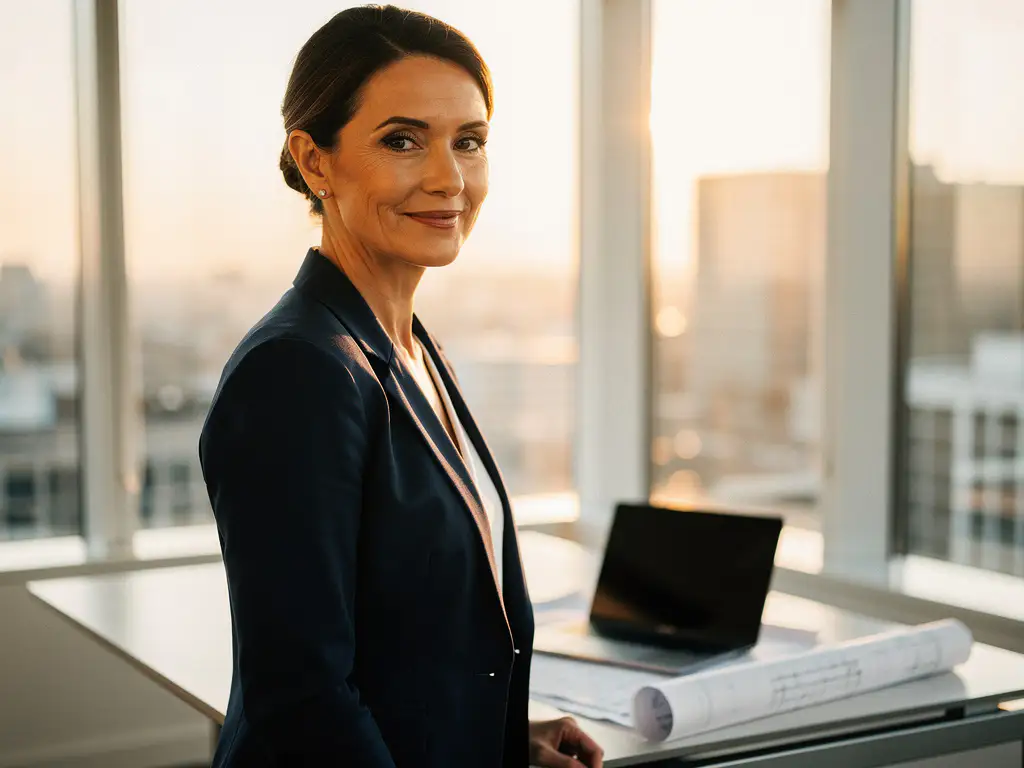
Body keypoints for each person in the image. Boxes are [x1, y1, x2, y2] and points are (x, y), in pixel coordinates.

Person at [198, 5, 604, 767]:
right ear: (315, 160)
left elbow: (402, 650)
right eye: (402, 140)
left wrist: (497, 744)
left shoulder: (411, 348)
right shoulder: (297, 372)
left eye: (470, 142)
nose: (449, 178)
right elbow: (304, 700)